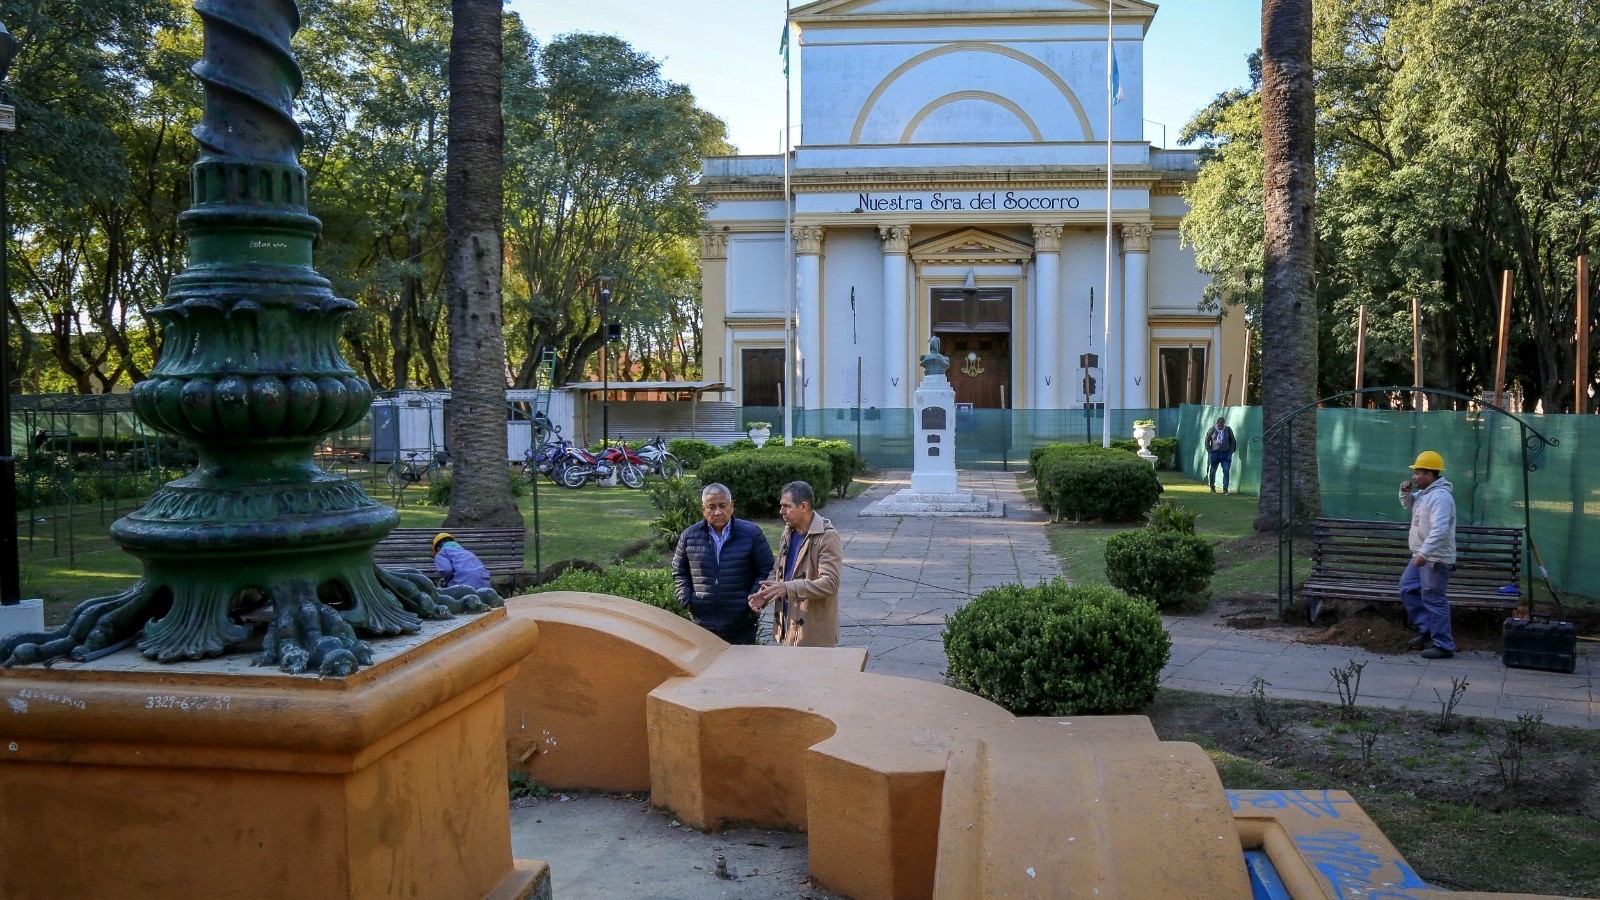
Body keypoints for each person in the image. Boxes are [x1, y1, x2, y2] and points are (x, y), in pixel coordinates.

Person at [671, 483, 776, 645]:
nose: (717, 512)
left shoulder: (751, 534)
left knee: (741, 669)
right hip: (702, 623)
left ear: (732, 505)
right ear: (703, 509)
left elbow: (766, 569)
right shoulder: (689, 536)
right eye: (711, 507)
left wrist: (753, 597)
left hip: (741, 622)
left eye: (723, 505)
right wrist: (687, 599)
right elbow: (679, 571)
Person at [750, 481, 842, 647]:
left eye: (786, 506)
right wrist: (765, 594)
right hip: (789, 627)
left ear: (804, 506)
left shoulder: (827, 537)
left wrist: (787, 588)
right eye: (781, 506)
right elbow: (779, 571)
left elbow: (830, 583)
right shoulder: (788, 533)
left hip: (814, 634)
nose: (781, 511)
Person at [1399, 451, 1457, 659]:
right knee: (1407, 588)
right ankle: (1427, 629)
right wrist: (1405, 494)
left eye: (1418, 472)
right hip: (1421, 555)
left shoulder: (1441, 497)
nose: (1414, 476)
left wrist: (1424, 553)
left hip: (1435, 558)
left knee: (1435, 600)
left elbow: (1440, 530)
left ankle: (1444, 645)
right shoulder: (1425, 494)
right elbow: (1410, 506)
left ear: (1430, 475)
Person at [1205, 416, 1238, 494]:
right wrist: (1210, 451)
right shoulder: (1211, 430)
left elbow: (1233, 440)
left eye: (1222, 425)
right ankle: (1212, 488)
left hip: (1226, 454)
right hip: (1215, 453)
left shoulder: (1228, 430)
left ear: (1224, 424)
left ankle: (1225, 489)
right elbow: (1207, 441)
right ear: (1217, 423)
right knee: (1212, 471)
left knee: (1226, 471)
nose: (1220, 426)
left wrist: (1231, 451)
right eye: (1219, 425)